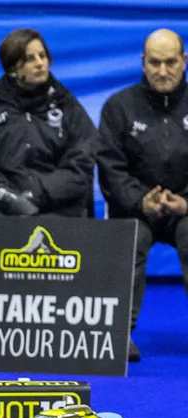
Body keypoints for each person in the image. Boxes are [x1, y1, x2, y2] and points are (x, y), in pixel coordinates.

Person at [97, 28, 188, 362]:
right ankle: (117, 335)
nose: (162, 71)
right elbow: (109, 167)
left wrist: (185, 202)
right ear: (142, 62)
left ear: (184, 61)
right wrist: (140, 200)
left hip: (186, 208)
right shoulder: (119, 107)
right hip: (135, 208)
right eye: (154, 62)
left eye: (170, 62)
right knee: (130, 242)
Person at [0, 29, 96, 218]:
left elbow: (82, 160)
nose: (40, 63)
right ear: (12, 68)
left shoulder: (66, 105)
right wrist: (6, 195)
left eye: (43, 56)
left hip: (58, 204)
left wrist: (40, 192)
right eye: (30, 59)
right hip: (3, 206)